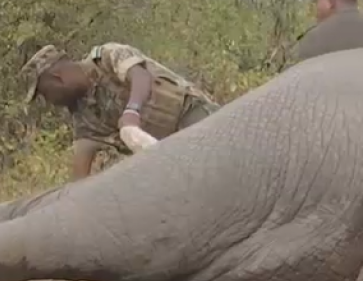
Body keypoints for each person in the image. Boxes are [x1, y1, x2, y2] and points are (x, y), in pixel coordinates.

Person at [21, 43, 220, 180]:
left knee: (223, 162)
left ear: (58, 78)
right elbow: (80, 168)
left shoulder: (106, 56)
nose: (50, 101)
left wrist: (131, 113)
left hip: (189, 112)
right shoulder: (83, 118)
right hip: (168, 150)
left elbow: (140, 76)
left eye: (46, 93)